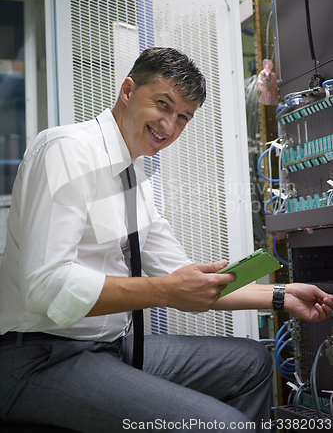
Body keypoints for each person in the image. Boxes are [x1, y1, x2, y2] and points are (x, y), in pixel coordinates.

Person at [0, 47, 332, 433]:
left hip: (108, 347)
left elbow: (181, 276)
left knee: (252, 362)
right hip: (39, 356)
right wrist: (165, 291)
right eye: (163, 104)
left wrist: (281, 295)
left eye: (183, 118)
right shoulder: (68, 151)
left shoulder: (132, 175)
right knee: (224, 425)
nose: (170, 127)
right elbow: (46, 289)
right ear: (128, 90)